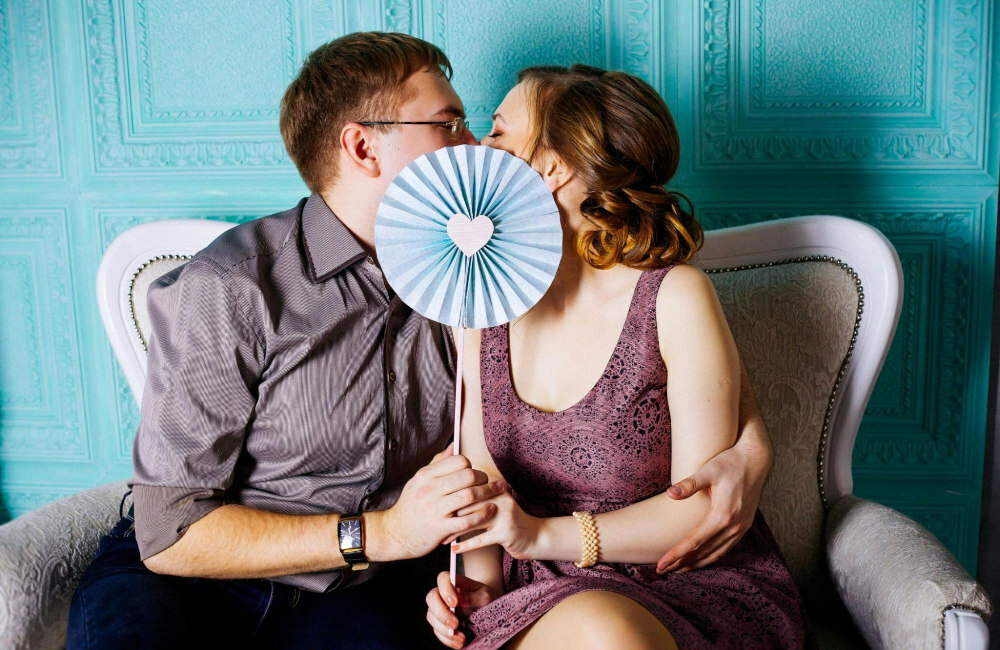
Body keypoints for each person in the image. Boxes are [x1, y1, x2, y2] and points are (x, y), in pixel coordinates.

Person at [66, 32, 775, 649]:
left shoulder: (479, 277)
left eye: (483, 127)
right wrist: (386, 536)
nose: (471, 146)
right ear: (361, 145)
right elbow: (169, 533)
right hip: (204, 577)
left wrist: (752, 447)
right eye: (450, 124)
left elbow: (506, 457)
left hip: (355, 594)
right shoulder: (230, 286)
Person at [424, 65, 808, 649]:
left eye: (498, 132)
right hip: (536, 593)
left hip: (680, 584)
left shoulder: (674, 297)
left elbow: (700, 509)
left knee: (604, 630)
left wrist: (539, 537)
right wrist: (475, 590)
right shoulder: (478, 305)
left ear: (553, 167)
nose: (479, 147)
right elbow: (482, 485)